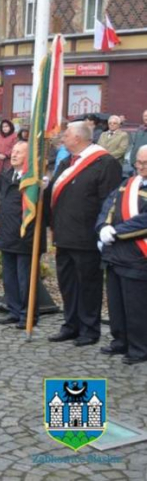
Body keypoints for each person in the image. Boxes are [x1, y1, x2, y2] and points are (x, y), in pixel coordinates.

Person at [45, 121, 122, 346]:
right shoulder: (67, 161)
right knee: (67, 284)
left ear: (78, 138)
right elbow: (56, 194)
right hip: (63, 234)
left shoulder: (104, 163)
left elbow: (109, 202)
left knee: (88, 285)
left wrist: (101, 232)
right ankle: (71, 324)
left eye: (66, 135)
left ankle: (89, 329)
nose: (63, 138)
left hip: (87, 237)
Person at [97, 144, 147, 365]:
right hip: (116, 254)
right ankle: (120, 340)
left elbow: (144, 221)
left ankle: (139, 348)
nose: (141, 167)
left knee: (136, 306)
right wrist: (102, 227)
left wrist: (116, 232)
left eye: (145, 164)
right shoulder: (127, 183)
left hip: (137, 256)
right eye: (138, 162)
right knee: (116, 303)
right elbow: (109, 206)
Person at [0, 140, 45, 328]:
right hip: (8, 234)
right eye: (13, 151)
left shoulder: (33, 180)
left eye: (19, 152)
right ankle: (14, 310)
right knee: (10, 278)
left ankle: (28, 314)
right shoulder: (8, 175)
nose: (13, 155)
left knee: (26, 280)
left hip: (26, 237)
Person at [124, 109, 147, 177]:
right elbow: (135, 146)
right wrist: (132, 160)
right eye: (145, 116)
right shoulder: (140, 129)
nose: (146, 118)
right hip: (136, 164)